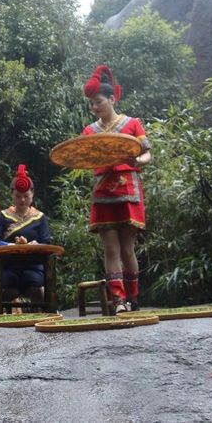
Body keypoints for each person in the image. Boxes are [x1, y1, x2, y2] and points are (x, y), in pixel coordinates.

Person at [82, 65, 151, 313]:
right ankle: (118, 300)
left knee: (127, 247)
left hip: (128, 189)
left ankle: (133, 297)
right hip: (103, 191)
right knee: (110, 248)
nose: (94, 107)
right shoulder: (90, 131)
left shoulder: (132, 124)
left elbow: (147, 153)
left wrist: (137, 161)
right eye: (91, 104)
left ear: (112, 98)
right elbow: (84, 157)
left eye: (98, 101)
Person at [0, 165, 52, 313]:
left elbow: (46, 243)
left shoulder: (39, 218)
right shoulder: (2, 217)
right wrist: (11, 245)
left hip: (33, 266)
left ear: (32, 194)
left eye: (26, 196)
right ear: (12, 195)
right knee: (9, 284)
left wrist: (35, 244)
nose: (22, 200)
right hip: (9, 266)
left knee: (34, 283)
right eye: (18, 196)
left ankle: (44, 317)